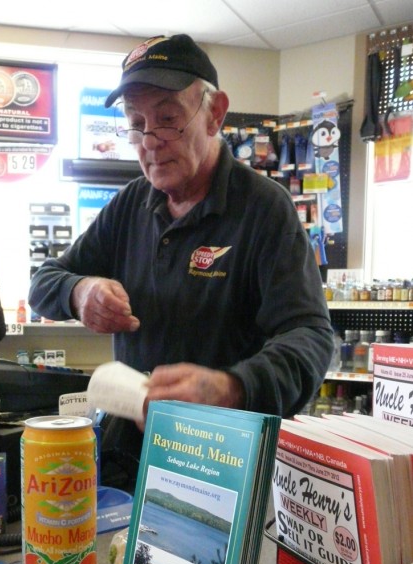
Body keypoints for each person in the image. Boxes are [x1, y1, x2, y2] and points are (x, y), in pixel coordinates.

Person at [29, 34, 334, 468]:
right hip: (128, 459)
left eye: (168, 118)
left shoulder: (265, 208)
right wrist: (79, 293)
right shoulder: (129, 204)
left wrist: (233, 388)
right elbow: (43, 282)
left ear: (215, 114)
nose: (150, 140)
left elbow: (311, 337)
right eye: (136, 122)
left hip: (221, 462)